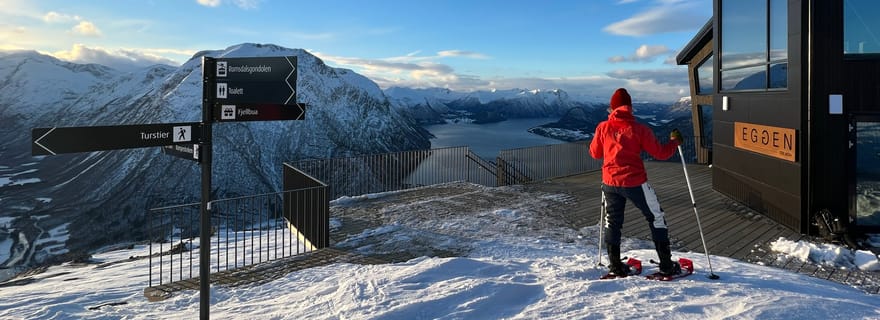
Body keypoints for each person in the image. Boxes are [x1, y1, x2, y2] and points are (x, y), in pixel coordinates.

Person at [589, 88, 683, 277]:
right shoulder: (640, 129)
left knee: (612, 222)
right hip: (635, 182)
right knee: (655, 217)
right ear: (630, 108)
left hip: (610, 182)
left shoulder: (603, 127)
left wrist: (603, 138)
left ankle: (615, 265)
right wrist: (674, 142)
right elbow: (661, 153)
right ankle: (666, 265)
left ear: (612, 108)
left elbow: (595, 153)